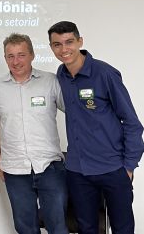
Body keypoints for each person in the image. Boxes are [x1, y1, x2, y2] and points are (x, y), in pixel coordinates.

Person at [48, 21, 144, 234]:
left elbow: (132, 122)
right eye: (57, 44)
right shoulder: (61, 76)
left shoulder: (105, 73)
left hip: (113, 168)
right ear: (51, 47)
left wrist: (128, 166)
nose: (64, 49)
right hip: (77, 170)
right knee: (86, 228)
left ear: (80, 41)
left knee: (123, 228)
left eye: (69, 42)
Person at [0, 33, 68, 234]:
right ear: (5, 58)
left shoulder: (51, 81)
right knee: (25, 228)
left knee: (57, 226)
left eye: (21, 55)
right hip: (14, 169)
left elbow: (74, 114)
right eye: (10, 56)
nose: (16, 61)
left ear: (32, 55)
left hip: (50, 166)